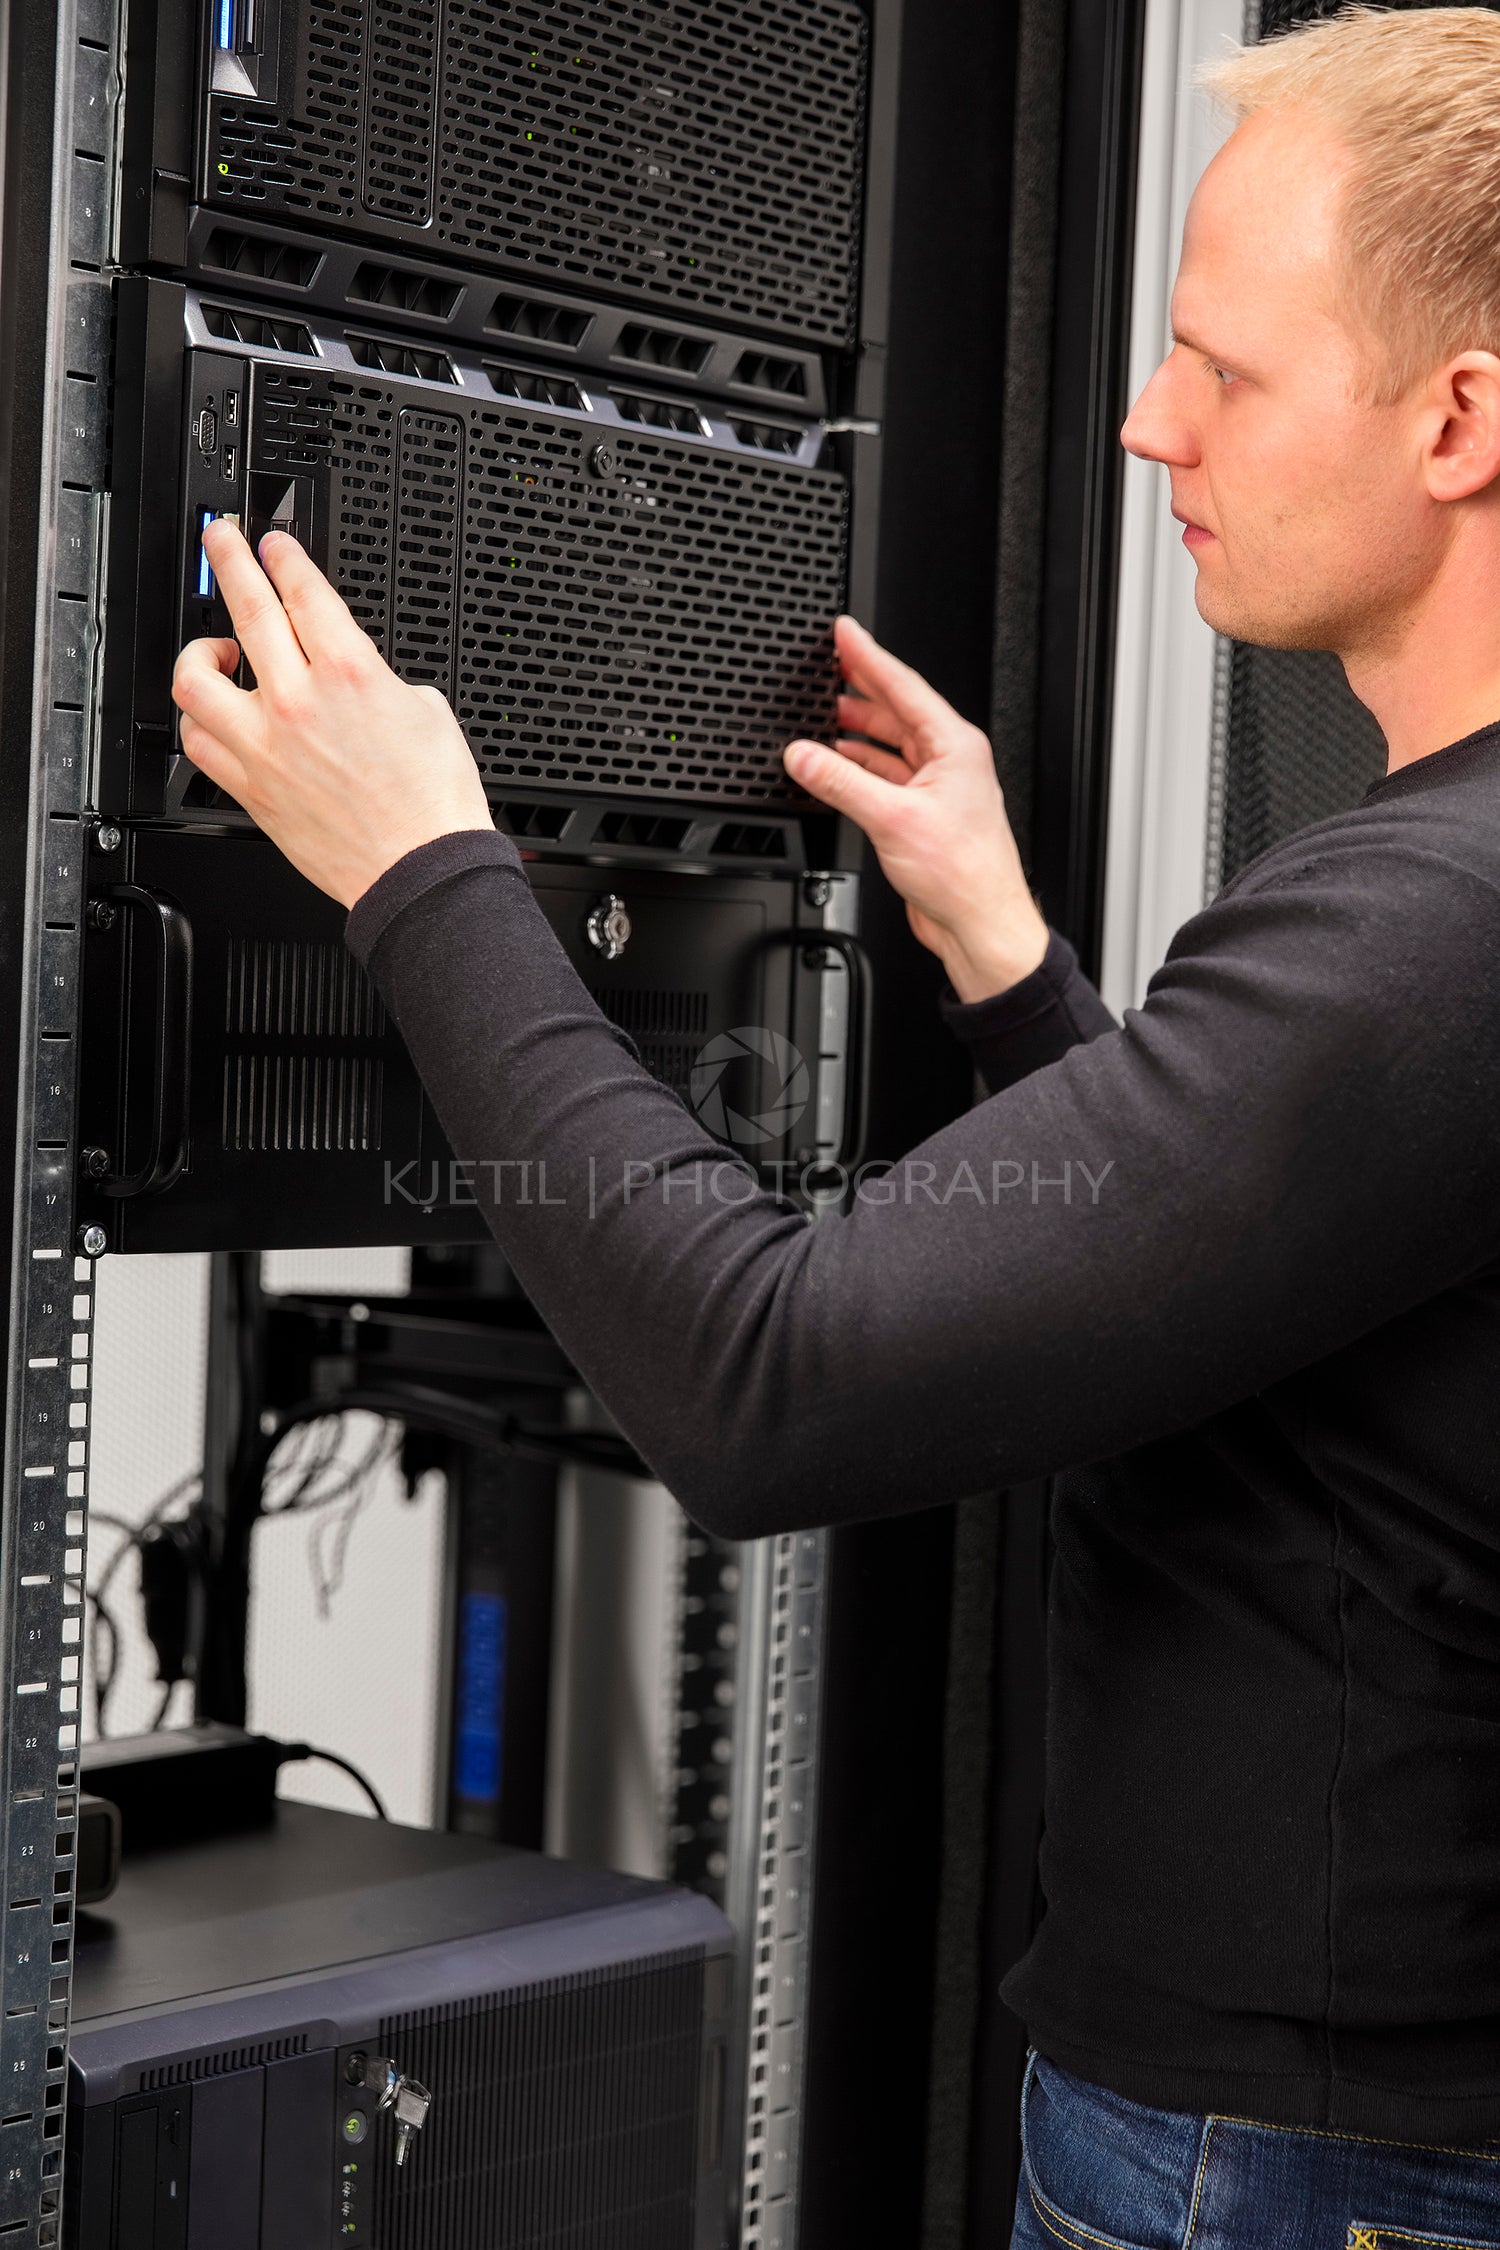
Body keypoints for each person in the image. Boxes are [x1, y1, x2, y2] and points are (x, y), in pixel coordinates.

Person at [170, 7, 1500, 2242]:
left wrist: (421, 870)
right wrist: (1003, 958)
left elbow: (766, 1379)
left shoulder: (1430, 927)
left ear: (1463, 420)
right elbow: (1254, 1363)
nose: (1147, 419)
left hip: (1293, 2169)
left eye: (1227, 372)